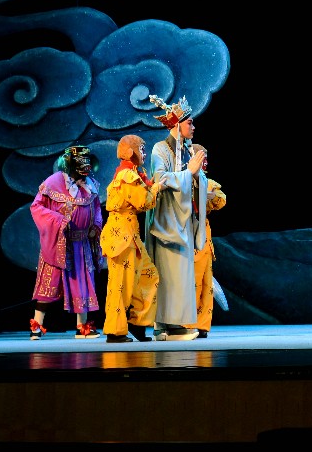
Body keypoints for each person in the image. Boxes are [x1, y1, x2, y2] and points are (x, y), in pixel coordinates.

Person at [145, 95, 209, 341]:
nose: (194, 127)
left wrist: (196, 176)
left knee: (181, 274)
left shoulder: (187, 149)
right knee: (166, 273)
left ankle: (176, 323)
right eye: (190, 123)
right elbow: (160, 178)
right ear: (177, 124)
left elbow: (197, 179)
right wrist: (188, 173)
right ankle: (161, 325)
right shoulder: (160, 149)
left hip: (182, 219)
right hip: (166, 220)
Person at [28, 144, 104, 340]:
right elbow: (37, 207)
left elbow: (96, 209)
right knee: (49, 283)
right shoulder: (53, 182)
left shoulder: (91, 185)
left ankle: (82, 326)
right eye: (81, 163)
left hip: (82, 243)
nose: (86, 168)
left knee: (83, 283)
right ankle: (36, 325)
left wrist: (95, 226)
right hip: (60, 242)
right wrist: (59, 221)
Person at [100, 134, 163, 343]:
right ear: (130, 152)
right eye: (141, 149)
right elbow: (143, 202)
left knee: (148, 276)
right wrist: (156, 189)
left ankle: (138, 323)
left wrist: (151, 186)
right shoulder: (127, 175)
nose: (144, 153)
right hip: (122, 235)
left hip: (131, 234)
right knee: (120, 285)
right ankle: (114, 331)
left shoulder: (133, 173)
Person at [193, 150, 228, 338]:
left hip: (204, 237)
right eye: (202, 158)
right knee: (192, 283)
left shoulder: (207, 182)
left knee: (207, 284)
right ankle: (188, 323)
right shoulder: (183, 180)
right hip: (189, 233)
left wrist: (209, 196)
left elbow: (221, 199)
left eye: (206, 158)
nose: (205, 162)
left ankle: (202, 325)